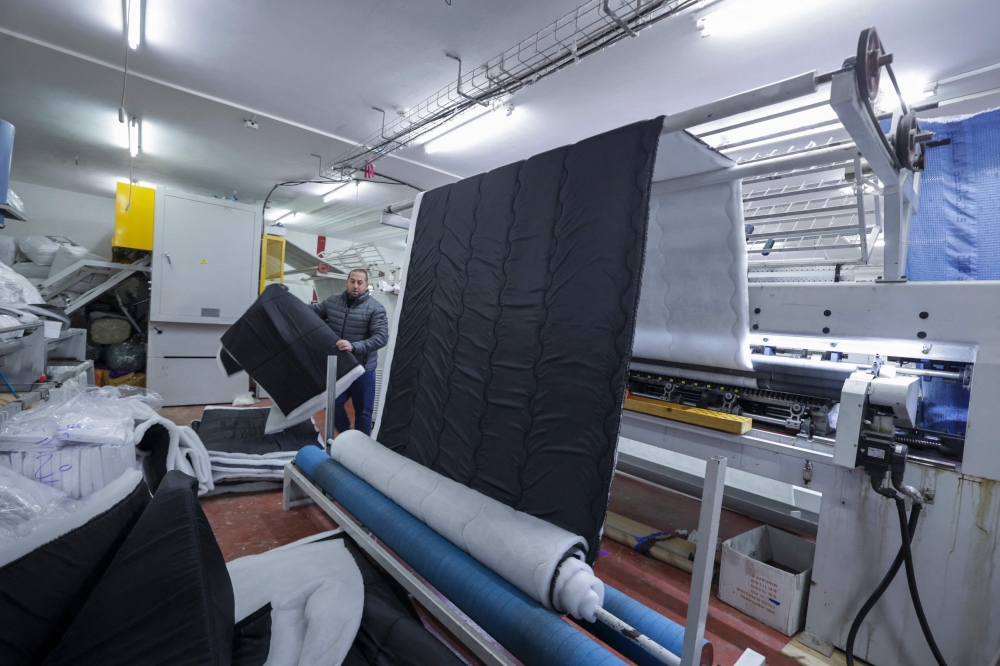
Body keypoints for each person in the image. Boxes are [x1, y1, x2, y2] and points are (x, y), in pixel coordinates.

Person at [312, 268, 388, 436]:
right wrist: (287, 300)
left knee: (364, 412)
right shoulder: (332, 302)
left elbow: (381, 338)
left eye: (360, 283)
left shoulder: (375, 308)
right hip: (339, 368)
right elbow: (310, 313)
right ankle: (346, 437)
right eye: (352, 281)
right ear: (347, 282)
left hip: (363, 369)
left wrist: (354, 346)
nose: (355, 286)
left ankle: (361, 446)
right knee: (332, 403)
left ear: (366, 285)